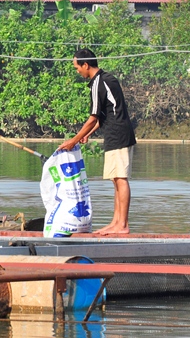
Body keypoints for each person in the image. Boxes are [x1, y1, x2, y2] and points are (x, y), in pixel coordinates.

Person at [58, 48, 136, 235]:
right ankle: (116, 222)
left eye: (77, 67)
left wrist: (73, 141)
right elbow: (103, 115)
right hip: (114, 133)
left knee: (121, 179)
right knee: (115, 178)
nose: (78, 71)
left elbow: (93, 117)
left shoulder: (98, 83)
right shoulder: (105, 80)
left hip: (118, 134)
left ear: (86, 65)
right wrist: (88, 134)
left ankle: (122, 225)